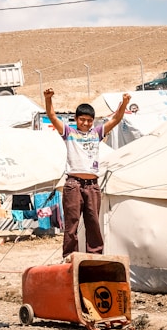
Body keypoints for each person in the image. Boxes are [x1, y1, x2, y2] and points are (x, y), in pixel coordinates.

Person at [44, 88, 131, 259]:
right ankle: (70, 257)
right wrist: (48, 98)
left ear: (93, 121)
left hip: (92, 185)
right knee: (72, 223)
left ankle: (95, 257)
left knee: (93, 223)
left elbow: (116, 119)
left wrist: (125, 103)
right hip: (73, 184)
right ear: (76, 119)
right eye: (82, 120)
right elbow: (52, 116)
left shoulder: (96, 133)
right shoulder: (69, 133)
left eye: (89, 120)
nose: (85, 123)